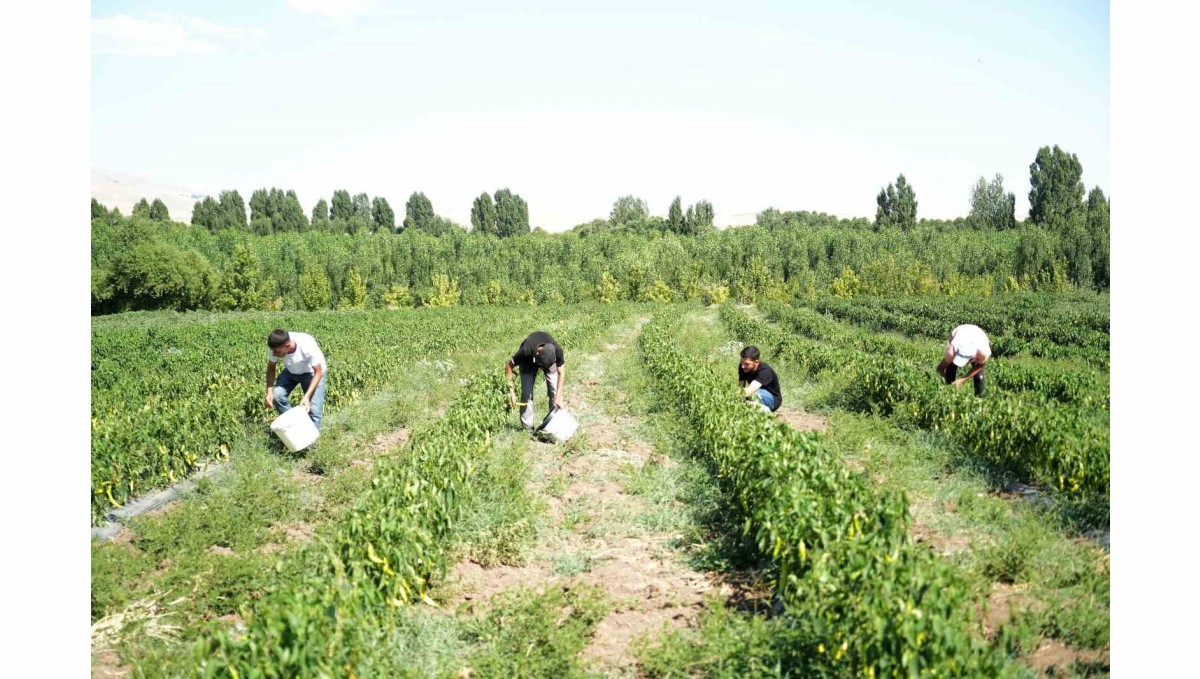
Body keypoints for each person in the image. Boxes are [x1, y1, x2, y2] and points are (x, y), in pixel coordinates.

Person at [264, 329, 328, 431]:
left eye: (277, 352)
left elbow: (318, 372)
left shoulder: (307, 345)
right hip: (291, 370)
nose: (274, 354)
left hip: (312, 373)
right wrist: (269, 392)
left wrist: (307, 397)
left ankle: (311, 442)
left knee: (313, 409)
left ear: (288, 345)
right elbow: (271, 368)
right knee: (277, 396)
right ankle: (295, 427)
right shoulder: (275, 347)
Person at [506, 331, 565, 429]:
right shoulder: (526, 351)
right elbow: (508, 366)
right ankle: (528, 427)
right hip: (528, 363)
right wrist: (512, 393)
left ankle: (556, 422)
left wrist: (558, 397)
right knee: (526, 393)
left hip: (547, 360)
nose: (542, 370)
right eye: (541, 367)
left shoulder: (557, 351)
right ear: (537, 353)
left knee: (555, 391)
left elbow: (561, 373)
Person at [937, 323, 990, 397]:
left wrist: (963, 380)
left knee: (979, 376)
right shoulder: (952, 351)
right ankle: (950, 394)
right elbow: (940, 368)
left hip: (978, 334)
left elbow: (980, 366)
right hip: (960, 331)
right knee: (950, 368)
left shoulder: (983, 352)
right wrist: (947, 382)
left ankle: (980, 400)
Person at [738, 346, 782, 413]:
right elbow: (741, 388)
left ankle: (766, 414)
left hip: (773, 399)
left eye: (747, 364)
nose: (743, 366)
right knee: (746, 398)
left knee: (754, 395)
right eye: (742, 362)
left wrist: (729, 396)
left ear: (756, 362)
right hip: (756, 392)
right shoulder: (743, 367)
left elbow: (748, 391)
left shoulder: (765, 371)